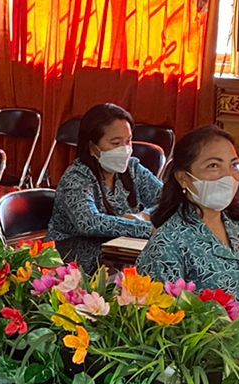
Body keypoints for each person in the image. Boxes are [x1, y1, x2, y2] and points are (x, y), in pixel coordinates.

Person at [138, 126, 239, 338]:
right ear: (184, 178)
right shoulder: (168, 244)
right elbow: (165, 328)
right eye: (213, 166)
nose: (228, 176)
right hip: (214, 359)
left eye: (234, 165)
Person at [47, 102, 163, 273]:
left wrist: (144, 215)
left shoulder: (132, 169)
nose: (125, 149)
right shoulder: (76, 178)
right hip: (78, 265)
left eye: (128, 141)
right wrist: (145, 228)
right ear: (93, 147)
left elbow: (168, 199)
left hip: (124, 254)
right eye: (115, 143)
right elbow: (89, 222)